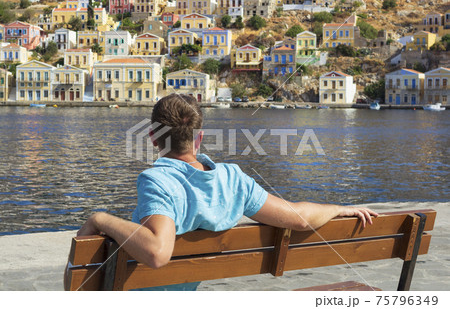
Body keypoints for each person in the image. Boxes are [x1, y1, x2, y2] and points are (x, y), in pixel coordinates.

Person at [67, 94, 378, 290]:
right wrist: (338, 209)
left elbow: (157, 254)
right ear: (198, 138)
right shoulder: (232, 178)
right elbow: (298, 218)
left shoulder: (156, 180)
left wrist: (101, 218)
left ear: (153, 137)